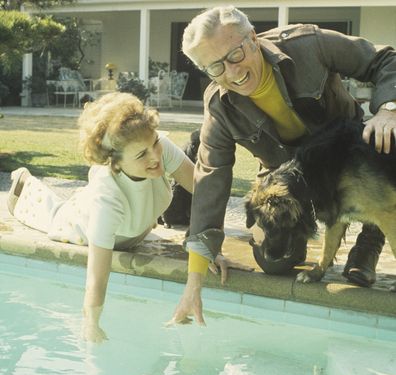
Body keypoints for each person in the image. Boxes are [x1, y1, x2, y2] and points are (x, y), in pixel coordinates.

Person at [171, 6, 396, 325]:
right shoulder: (219, 107)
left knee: (374, 200)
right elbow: (210, 179)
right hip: (288, 175)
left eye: (234, 55)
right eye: (215, 67)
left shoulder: (309, 45)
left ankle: (370, 236)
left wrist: (389, 108)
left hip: (349, 156)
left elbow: (383, 59)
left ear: (252, 38)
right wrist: (194, 282)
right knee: (274, 260)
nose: (232, 73)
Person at [7, 92, 222, 342]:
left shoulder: (160, 148)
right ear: (115, 164)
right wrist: (91, 323)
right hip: (79, 224)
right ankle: (22, 184)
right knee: (51, 214)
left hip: (130, 226)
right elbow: (97, 276)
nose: (154, 155)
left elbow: (205, 196)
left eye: (154, 143)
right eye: (141, 155)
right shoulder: (106, 199)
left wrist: (211, 247)